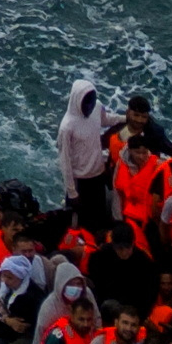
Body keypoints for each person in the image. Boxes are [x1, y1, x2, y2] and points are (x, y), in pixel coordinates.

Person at [58, 82, 115, 232]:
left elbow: (105, 120)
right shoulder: (67, 127)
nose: (89, 107)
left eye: (91, 101)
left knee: (99, 219)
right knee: (79, 224)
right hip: (80, 180)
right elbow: (65, 161)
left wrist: (125, 119)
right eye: (86, 103)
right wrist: (72, 192)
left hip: (98, 174)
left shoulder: (97, 107)